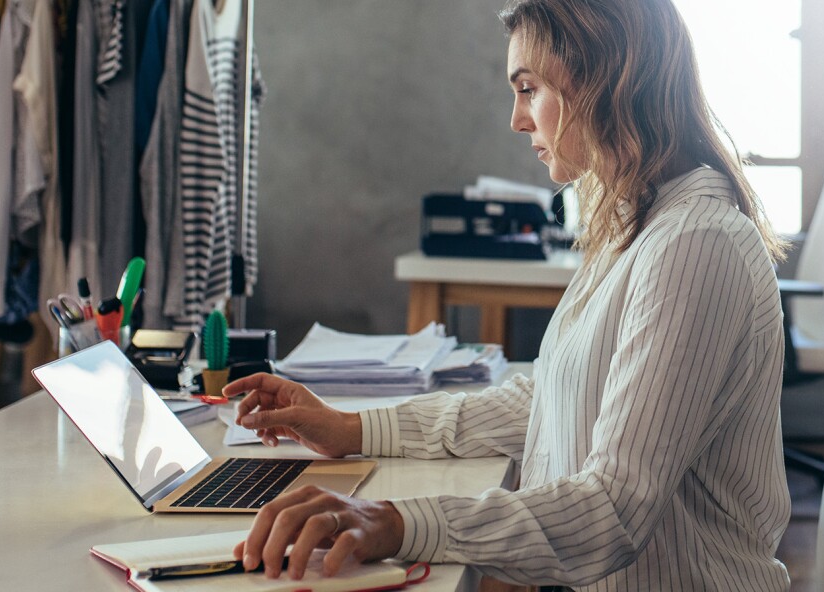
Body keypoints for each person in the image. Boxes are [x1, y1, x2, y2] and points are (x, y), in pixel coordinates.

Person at [228, 0, 793, 589]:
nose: (518, 120)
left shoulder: (695, 243)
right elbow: (546, 400)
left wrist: (396, 523)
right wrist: (353, 429)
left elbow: (613, 510)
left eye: (529, 89)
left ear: (605, 79)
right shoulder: (637, 221)